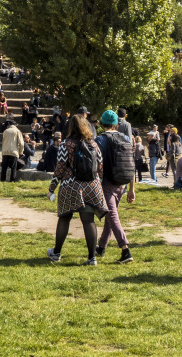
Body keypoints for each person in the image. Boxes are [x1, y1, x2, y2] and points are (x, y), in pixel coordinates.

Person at [45, 116, 107, 265]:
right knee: (88, 220)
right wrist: (98, 184)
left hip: (71, 185)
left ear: (71, 127)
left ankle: (56, 252)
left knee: (65, 217)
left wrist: (51, 189)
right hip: (92, 185)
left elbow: (60, 168)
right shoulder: (94, 144)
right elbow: (100, 168)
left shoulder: (66, 144)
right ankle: (92, 258)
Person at [93, 109, 135, 263]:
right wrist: (132, 189)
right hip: (122, 183)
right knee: (111, 216)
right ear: (116, 124)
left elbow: (96, 163)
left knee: (112, 216)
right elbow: (132, 164)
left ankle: (125, 250)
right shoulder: (125, 138)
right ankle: (101, 247)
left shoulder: (100, 140)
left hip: (107, 182)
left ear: (102, 123)